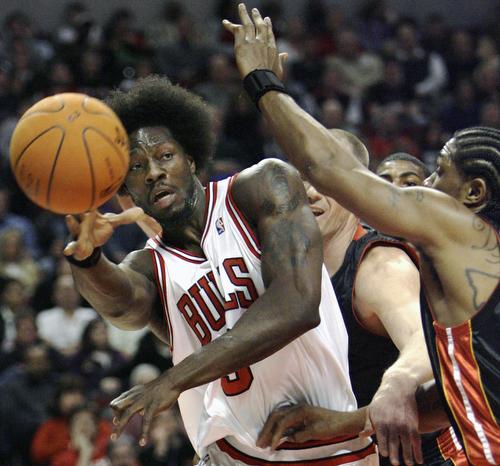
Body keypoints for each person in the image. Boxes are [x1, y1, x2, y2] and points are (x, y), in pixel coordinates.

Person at [224, 5, 499, 466]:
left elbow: (331, 168)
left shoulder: (463, 232)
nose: (424, 187)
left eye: (438, 173)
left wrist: (262, 83)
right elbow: (447, 402)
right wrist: (345, 422)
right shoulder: (467, 271)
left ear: (474, 192)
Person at [63, 75, 376, 465]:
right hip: (231, 453)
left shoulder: (260, 187)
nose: (154, 173)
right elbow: (123, 308)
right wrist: (88, 260)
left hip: (327, 445)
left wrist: (174, 379)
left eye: (164, 156)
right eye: (137, 167)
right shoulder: (149, 264)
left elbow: (297, 305)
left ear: (190, 158)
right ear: (128, 190)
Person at [305, 133, 465, 466]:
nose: (310, 191)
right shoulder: (290, 265)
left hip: (421, 455)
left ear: (354, 189)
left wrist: (396, 381)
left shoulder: (380, 266)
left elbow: (425, 342)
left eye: (324, 179)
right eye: (303, 177)